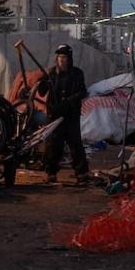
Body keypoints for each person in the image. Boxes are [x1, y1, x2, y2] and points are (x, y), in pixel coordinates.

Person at [41, 44, 89, 184]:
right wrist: (43, 82)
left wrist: (68, 102)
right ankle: (51, 173)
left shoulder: (77, 74)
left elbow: (82, 92)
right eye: (59, 57)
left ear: (69, 59)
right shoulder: (51, 73)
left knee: (75, 143)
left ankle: (82, 173)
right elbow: (42, 92)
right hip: (54, 115)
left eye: (64, 57)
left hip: (71, 115)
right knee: (53, 144)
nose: (61, 60)